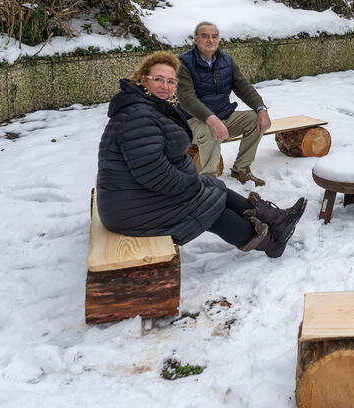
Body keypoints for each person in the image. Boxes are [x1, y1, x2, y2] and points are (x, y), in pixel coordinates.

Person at [97, 51, 306, 258]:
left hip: (138, 195)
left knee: (213, 187)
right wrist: (190, 183)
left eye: (170, 81)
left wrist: (191, 180)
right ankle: (271, 244)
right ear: (143, 80)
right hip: (131, 210)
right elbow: (154, 173)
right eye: (158, 79)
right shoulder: (137, 115)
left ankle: (276, 220)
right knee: (205, 207)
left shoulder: (149, 106)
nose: (165, 86)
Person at [176, 21, 271, 186]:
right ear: (195, 40)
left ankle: (241, 170)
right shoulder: (183, 63)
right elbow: (186, 98)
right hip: (192, 121)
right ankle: (209, 180)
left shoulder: (225, 60)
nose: (210, 40)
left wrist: (261, 109)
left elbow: (243, 87)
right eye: (205, 36)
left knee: (254, 118)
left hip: (224, 116)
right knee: (209, 129)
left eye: (214, 36)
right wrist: (211, 119)